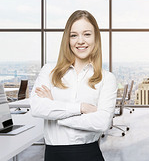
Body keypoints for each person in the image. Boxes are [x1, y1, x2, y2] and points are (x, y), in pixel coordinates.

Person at [30, 10, 117, 161]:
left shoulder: (107, 78)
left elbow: (102, 122)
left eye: (87, 34)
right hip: (53, 155)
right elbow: (37, 107)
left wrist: (55, 112)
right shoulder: (49, 71)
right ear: (67, 39)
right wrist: (80, 108)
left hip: (89, 154)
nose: (80, 41)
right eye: (74, 35)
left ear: (96, 38)